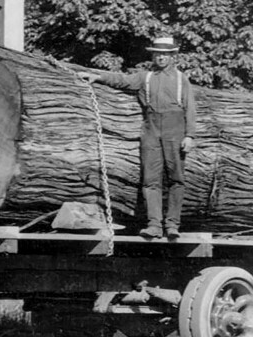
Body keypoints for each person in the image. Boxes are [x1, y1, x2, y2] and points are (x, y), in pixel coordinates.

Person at [78, 36, 196, 239]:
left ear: (172, 56)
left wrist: (190, 136)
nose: (161, 58)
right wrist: (96, 76)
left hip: (175, 129)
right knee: (150, 179)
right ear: (153, 55)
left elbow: (190, 108)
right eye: (157, 54)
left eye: (165, 54)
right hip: (151, 129)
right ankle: (154, 225)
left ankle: (173, 225)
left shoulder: (180, 79)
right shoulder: (145, 77)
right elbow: (122, 80)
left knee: (176, 179)